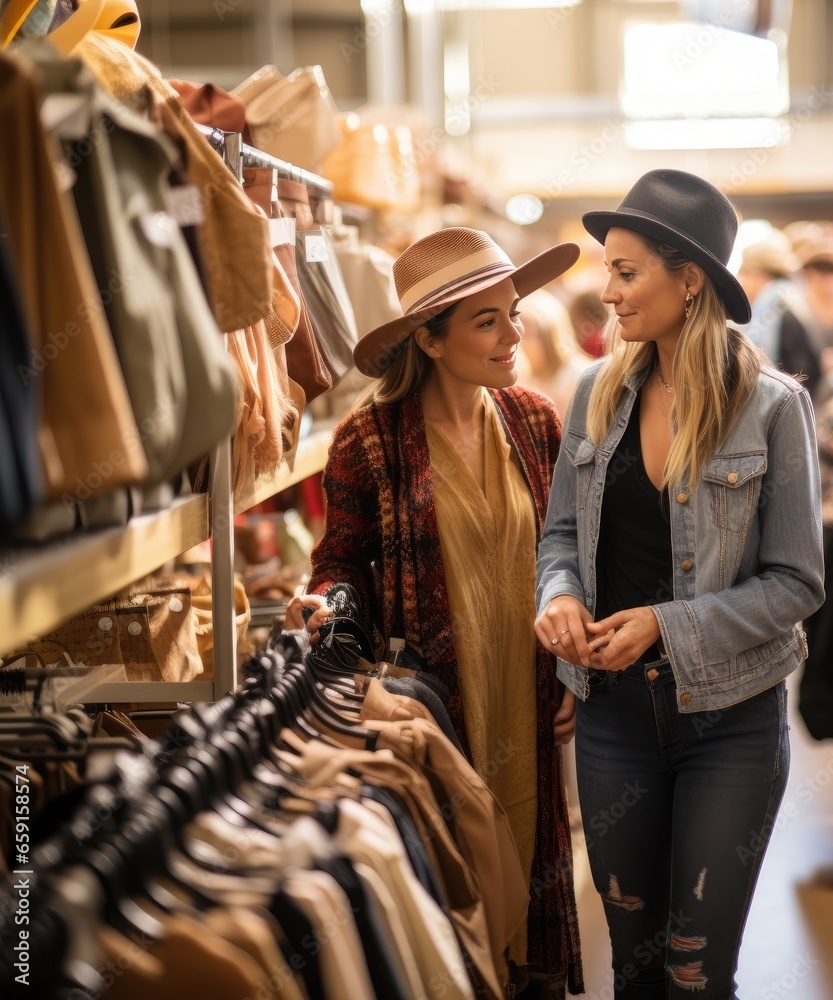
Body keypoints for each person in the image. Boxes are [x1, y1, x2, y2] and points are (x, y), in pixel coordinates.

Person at [534, 170, 825, 999]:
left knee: (696, 974)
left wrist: (667, 625)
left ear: (687, 278)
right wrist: (557, 596)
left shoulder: (771, 408)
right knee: (633, 970)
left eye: (626, 272)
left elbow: (797, 583)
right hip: (614, 718)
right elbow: (560, 536)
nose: (607, 292)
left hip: (730, 721)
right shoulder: (596, 393)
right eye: (607, 270)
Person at [302, 227, 584, 999]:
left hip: (525, 695)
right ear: (428, 340)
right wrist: (329, 612)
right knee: (456, 874)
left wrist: (572, 667)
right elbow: (340, 561)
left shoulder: (534, 421)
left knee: (530, 860)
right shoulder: (370, 440)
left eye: (514, 312)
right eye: (486, 321)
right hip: (434, 704)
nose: (514, 334)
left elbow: (573, 560)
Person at [736, 226, 822, 398]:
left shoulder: (776, 309)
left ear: (758, 274)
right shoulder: (792, 299)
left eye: (744, 273)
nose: (740, 281)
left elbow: (801, 370)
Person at [517, 287, 593, 420]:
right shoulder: (527, 379)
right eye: (520, 335)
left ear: (549, 335)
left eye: (529, 334)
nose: (522, 343)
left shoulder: (577, 375)